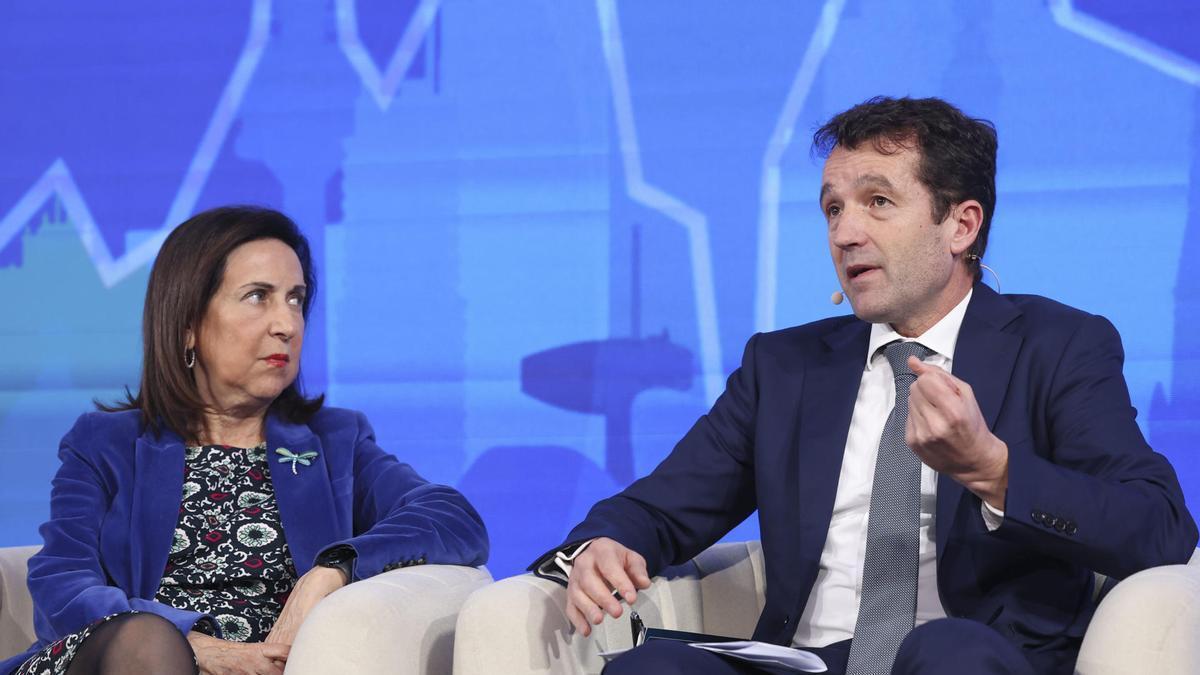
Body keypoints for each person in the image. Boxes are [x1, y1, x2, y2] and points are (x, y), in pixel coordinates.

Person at [530, 97, 1198, 674]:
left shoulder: (1056, 346)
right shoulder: (784, 367)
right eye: (833, 209)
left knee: (948, 651)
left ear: (961, 225)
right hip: (805, 661)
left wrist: (994, 470)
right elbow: (658, 507)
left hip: (963, 657)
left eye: (878, 202)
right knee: (651, 667)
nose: (845, 233)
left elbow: (1161, 529)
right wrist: (604, 544)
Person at [1, 206, 489, 675]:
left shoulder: (335, 442)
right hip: (121, 659)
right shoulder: (107, 444)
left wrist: (333, 569)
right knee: (147, 645)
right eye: (258, 296)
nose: (287, 324)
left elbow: (452, 518)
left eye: (295, 299)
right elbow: (61, 582)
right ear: (189, 326)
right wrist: (194, 646)